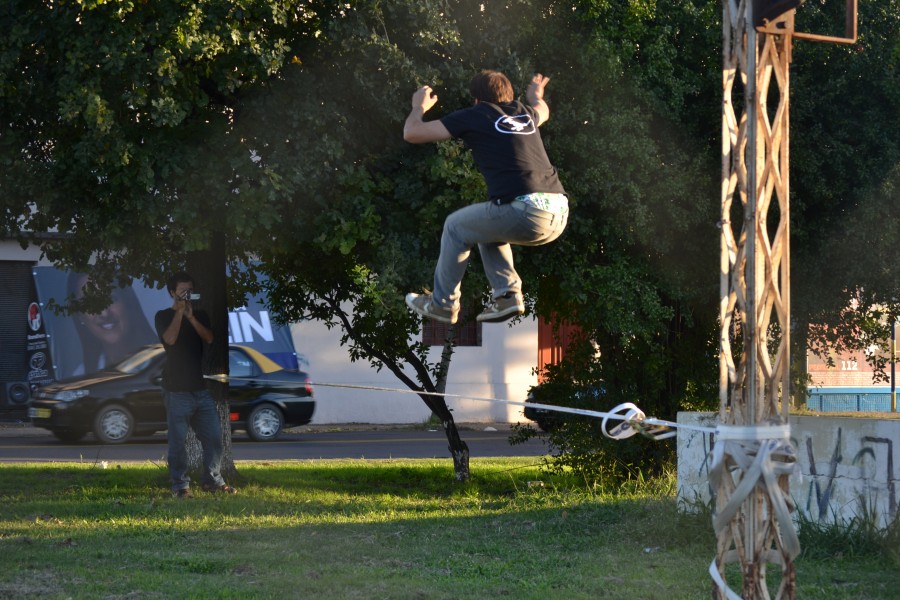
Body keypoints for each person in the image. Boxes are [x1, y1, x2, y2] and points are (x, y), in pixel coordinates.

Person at [403, 69, 569, 324]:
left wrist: (418, 107)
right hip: (558, 212)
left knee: (455, 226)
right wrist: (536, 95)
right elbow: (543, 109)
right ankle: (507, 295)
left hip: (528, 212)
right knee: (484, 226)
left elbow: (412, 133)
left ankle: (442, 305)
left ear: (478, 100)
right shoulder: (525, 113)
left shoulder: (477, 115)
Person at [155, 271, 235, 497]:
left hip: (200, 390)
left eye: (190, 291)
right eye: (183, 292)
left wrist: (190, 316)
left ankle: (213, 480)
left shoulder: (199, 315)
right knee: (178, 444)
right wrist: (179, 313)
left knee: (213, 438)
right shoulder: (162, 316)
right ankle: (180, 487)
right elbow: (169, 340)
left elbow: (209, 338)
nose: (187, 295)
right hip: (176, 390)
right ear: (172, 293)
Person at [67, 272, 157, 377]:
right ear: (80, 316)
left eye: (111, 298)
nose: (104, 313)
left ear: (127, 303)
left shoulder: (161, 362)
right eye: (89, 303)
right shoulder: (80, 378)